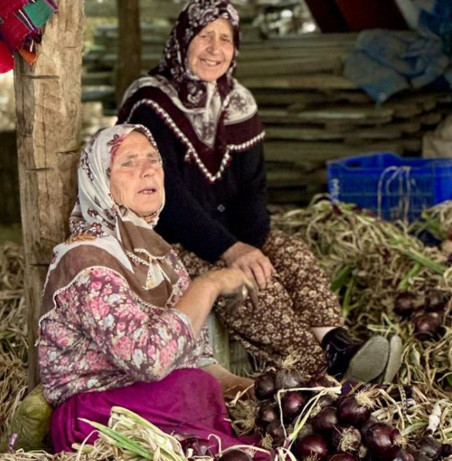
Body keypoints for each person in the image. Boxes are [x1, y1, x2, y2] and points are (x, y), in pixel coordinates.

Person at [117, 0, 399, 382]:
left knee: (291, 255)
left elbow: (253, 187)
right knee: (255, 286)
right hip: (168, 241)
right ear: (182, 41)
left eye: (226, 39)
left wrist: (251, 244)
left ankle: (337, 345)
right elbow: (170, 202)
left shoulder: (238, 102)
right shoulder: (151, 105)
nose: (215, 49)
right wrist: (232, 251)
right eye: (204, 36)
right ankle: (320, 373)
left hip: (229, 235)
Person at [38, 124, 266, 457]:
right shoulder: (86, 260)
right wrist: (209, 284)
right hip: (101, 422)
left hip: (165, 408)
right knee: (193, 389)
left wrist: (256, 392)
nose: (147, 171)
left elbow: (198, 362)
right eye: (128, 163)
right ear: (100, 180)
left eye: (153, 160)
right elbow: (150, 361)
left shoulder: (161, 259)